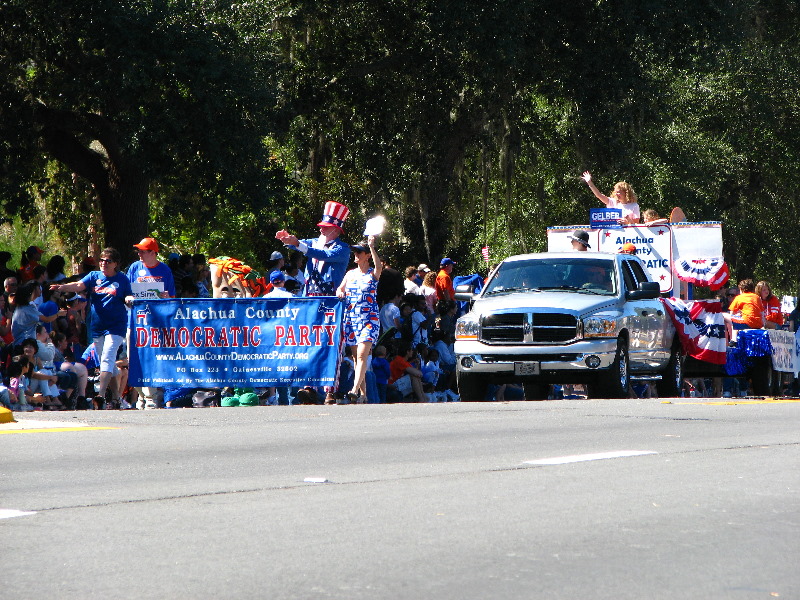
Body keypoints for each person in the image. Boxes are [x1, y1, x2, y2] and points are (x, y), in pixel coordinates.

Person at [50, 247, 133, 409]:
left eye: (108, 261)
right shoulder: (94, 276)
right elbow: (79, 285)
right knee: (106, 363)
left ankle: (100, 396)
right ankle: (116, 398)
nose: (103, 264)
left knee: (108, 358)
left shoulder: (122, 279)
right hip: (97, 326)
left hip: (116, 326)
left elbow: (128, 294)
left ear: (115, 263)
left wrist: (130, 299)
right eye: (101, 260)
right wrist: (62, 287)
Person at [336, 236, 382, 403]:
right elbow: (340, 288)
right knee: (356, 358)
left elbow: (379, 266)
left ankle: (354, 389)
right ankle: (363, 395)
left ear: (366, 255)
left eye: (359, 252)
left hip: (369, 318)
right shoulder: (350, 274)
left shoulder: (372, 273)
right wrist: (340, 292)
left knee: (363, 355)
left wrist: (371, 247)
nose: (355, 254)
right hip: (352, 319)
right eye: (354, 251)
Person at [275, 201, 351, 297]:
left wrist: (297, 243)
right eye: (321, 227)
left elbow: (324, 255)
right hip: (309, 295)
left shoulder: (343, 248)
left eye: (325, 227)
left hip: (329, 297)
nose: (321, 230)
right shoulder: (314, 242)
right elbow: (297, 244)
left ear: (335, 230)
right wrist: (287, 239)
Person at [11, 281, 66, 345]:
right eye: (38, 288)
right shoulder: (28, 308)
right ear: (33, 290)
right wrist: (58, 314)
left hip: (23, 341)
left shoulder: (25, 306)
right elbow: (46, 319)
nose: (40, 289)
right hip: (24, 343)